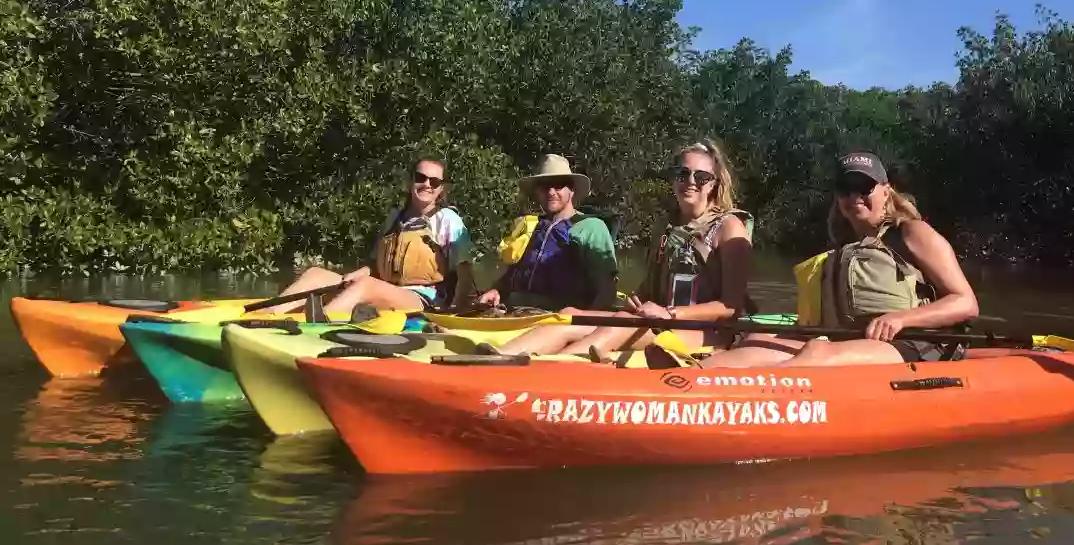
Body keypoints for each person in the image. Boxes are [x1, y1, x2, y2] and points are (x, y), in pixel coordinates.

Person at [701, 151, 979, 369]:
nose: (854, 196)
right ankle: (688, 385)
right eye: (845, 188)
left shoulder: (911, 232)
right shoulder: (844, 246)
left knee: (817, 352)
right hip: (850, 340)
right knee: (755, 339)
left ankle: (755, 403)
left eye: (864, 187)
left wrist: (902, 319)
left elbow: (966, 302)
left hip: (912, 344)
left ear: (885, 190)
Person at [493, 140, 753, 359]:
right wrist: (590, 311)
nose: (690, 181)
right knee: (567, 321)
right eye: (682, 174)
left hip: (706, 332)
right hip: (658, 322)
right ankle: (492, 359)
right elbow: (649, 293)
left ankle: (552, 370)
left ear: (715, 183)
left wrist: (669, 313)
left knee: (616, 330)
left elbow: (731, 305)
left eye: (701, 176)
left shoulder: (730, 228)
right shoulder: (666, 228)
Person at [276, 157, 476, 314]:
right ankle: (267, 315)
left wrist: (455, 313)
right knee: (316, 275)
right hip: (384, 288)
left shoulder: (448, 220)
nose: (427, 184)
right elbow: (374, 266)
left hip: (425, 300)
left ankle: (316, 325)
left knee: (365, 287)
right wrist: (349, 278)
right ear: (410, 181)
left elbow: (464, 274)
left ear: (441, 188)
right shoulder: (395, 218)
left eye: (434, 181)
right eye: (420, 178)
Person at [475, 154, 618, 312]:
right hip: (513, 312)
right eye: (544, 186)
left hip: (557, 317)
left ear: (571, 190)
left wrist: (586, 323)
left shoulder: (590, 227)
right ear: (537, 192)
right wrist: (496, 291)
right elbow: (512, 274)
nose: (551, 192)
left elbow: (607, 288)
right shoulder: (528, 225)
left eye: (558, 185)